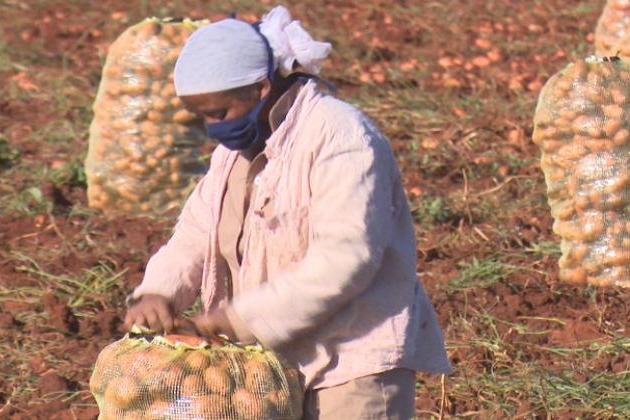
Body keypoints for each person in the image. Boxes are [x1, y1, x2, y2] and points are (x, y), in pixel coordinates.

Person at [123, 6, 451, 419]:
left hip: (350, 360)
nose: (213, 128)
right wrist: (160, 291)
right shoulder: (234, 154)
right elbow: (196, 233)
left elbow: (346, 258)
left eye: (219, 113)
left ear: (260, 88)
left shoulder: (340, 136)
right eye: (202, 116)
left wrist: (244, 317)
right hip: (270, 365)